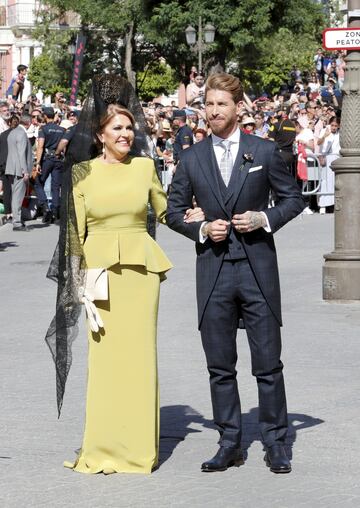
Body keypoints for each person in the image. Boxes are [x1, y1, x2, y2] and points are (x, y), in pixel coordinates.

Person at [45, 75, 204, 475]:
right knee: (105, 361)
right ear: (99, 135)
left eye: (130, 127)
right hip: (98, 276)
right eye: (117, 128)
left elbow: (165, 212)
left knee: (139, 358)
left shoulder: (145, 167)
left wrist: (194, 218)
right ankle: (102, 447)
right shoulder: (81, 174)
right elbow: (74, 236)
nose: (126, 133)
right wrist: (77, 283)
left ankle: (136, 450)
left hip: (140, 273)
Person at [167, 72, 305, 474]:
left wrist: (264, 217)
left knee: (268, 363)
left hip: (258, 269)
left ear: (238, 107)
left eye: (222, 104)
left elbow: (292, 199)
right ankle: (230, 441)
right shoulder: (192, 158)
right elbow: (173, 211)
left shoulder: (262, 151)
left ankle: (277, 441)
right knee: (219, 365)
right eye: (209, 104)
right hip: (213, 271)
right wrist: (201, 228)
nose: (213, 111)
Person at [33, 106, 65, 223]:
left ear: (45, 116)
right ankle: (56, 211)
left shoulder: (43, 129)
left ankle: (45, 207)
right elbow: (64, 146)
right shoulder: (62, 129)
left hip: (47, 158)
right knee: (56, 186)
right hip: (58, 159)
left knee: (38, 182)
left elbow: (40, 146)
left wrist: (37, 162)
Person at [4, 114, 33, 231]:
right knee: (18, 197)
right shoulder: (21, 133)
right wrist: (25, 171)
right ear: (29, 123)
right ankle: (17, 222)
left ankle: (16, 219)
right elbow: (21, 154)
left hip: (11, 168)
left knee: (15, 196)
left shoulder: (12, 132)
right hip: (18, 169)